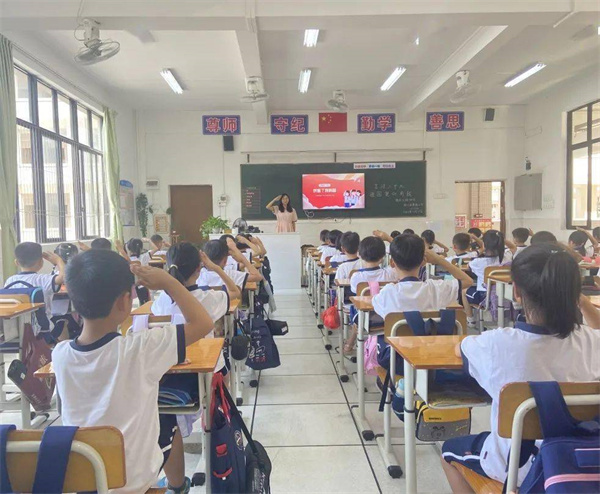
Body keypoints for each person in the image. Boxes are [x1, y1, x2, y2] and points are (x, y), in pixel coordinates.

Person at [52, 250, 216, 493]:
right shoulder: (141, 348)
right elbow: (203, 323)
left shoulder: (60, 354)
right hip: (132, 481)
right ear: (124, 301)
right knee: (168, 422)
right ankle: (178, 486)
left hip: (84, 476)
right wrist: (169, 282)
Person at [441, 244, 600, 490]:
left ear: (516, 291)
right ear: (574, 292)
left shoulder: (496, 344)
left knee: (449, 451)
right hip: (582, 461)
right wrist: (579, 300)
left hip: (518, 467)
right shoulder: (592, 341)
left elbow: (457, 349)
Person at [153, 242, 240, 372]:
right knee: (223, 366)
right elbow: (235, 292)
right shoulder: (208, 298)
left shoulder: (161, 299)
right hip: (205, 366)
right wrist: (216, 268)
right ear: (199, 268)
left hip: (169, 367)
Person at [373, 234, 473, 319]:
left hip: (398, 337)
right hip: (431, 336)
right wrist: (439, 260)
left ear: (392, 263)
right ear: (423, 261)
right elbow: (468, 281)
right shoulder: (436, 288)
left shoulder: (387, 293)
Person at [343, 236, 399, 354]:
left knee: (356, 308)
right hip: (388, 316)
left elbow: (354, 291)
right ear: (383, 257)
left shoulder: (357, 277)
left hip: (365, 317)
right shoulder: (390, 273)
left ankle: (350, 343)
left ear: (359, 254)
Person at [5, 242, 65, 324]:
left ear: (16, 263)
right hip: (42, 327)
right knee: (63, 322)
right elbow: (63, 277)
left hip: (17, 325)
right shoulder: (43, 279)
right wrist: (59, 261)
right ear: (41, 262)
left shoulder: (10, 281)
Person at [463, 229, 507, 326]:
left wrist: (481, 250)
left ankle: (471, 320)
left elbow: (468, 267)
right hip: (505, 295)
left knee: (463, 291)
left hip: (485, 296)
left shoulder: (477, 263)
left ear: (484, 245)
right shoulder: (507, 258)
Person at [197, 238, 262, 290]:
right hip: (228, 303)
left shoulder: (198, 276)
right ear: (225, 260)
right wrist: (242, 258)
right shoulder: (231, 274)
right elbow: (258, 277)